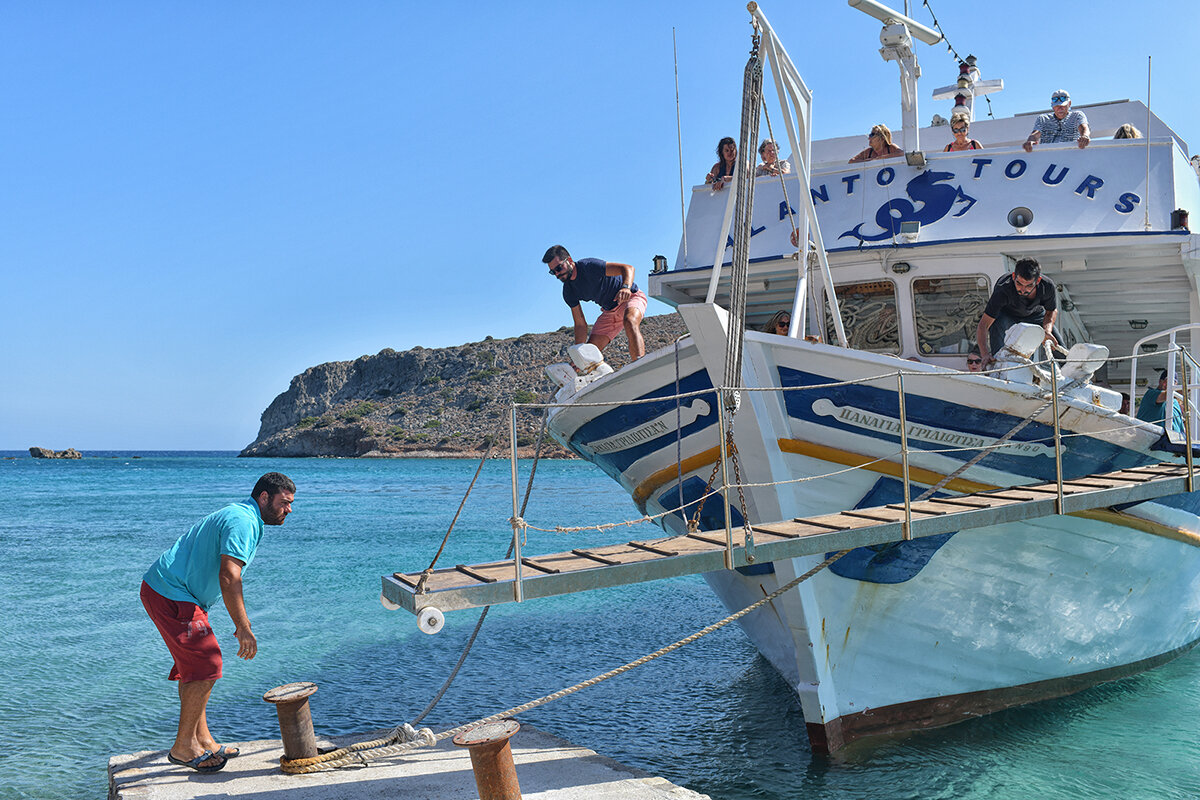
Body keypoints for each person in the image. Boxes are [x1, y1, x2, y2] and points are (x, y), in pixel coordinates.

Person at [141, 472, 296, 773]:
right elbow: (229, 575)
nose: (288, 510)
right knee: (207, 664)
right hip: (172, 593)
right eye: (284, 503)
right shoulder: (243, 521)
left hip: (172, 591)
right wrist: (244, 627)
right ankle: (184, 747)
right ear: (264, 497)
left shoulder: (242, 515)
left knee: (195, 668)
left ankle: (204, 740)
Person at [543, 245, 647, 360]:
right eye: (553, 272)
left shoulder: (589, 266)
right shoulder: (568, 291)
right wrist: (578, 355)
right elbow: (580, 324)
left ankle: (640, 364)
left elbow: (628, 268)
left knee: (630, 321)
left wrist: (626, 287)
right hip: (609, 312)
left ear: (569, 260)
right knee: (587, 355)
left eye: (559, 268)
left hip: (631, 297)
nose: (557, 274)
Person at [975, 258, 1060, 366]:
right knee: (996, 326)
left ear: (1037, 281)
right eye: (1019, 284)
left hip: (1034, 314)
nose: (1023, 289)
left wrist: (1047, 330)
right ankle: (997, 367)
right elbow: (983, 325)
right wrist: (985, 354)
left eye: (1029, 285)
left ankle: (1069, 376)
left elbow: (1051, 311)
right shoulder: (1003, 290)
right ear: (1014, 276)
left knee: (1056, 343)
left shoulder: (1047, 286)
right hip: (1006, 315)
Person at [1023, 90, 1090, 152]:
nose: (1060, 108)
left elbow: (1083, 128)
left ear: (1069, 104)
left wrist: (1085, 136)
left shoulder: (1077, 115)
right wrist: (1030, 140)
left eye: (1063, 105)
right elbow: (1036, 133)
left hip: (1071, 155)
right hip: (1048, 157)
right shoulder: (1043, 118)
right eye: (1056, 106)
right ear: (1052, 106)